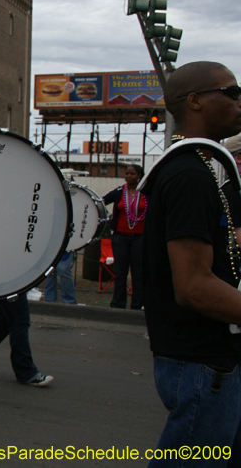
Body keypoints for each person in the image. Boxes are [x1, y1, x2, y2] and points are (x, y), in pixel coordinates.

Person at [143, 61, 241, 465]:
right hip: (204, 364)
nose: (239, 102)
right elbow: (193, 286)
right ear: (196, 101)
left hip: (212, 360)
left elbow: (217, 250)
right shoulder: (188, 174)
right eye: (232, 93)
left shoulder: (203, 168)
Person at [103, 164, 146, 309]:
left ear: (139, 175)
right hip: (120, 238)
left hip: (140, 238)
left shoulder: (147, 192)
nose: (128, 176)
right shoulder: (119, 191)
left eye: (132, 174)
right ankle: (118, 304)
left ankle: (137, 305)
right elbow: (101, 201)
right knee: (120, 273)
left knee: (138, 274)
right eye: (127, 173)